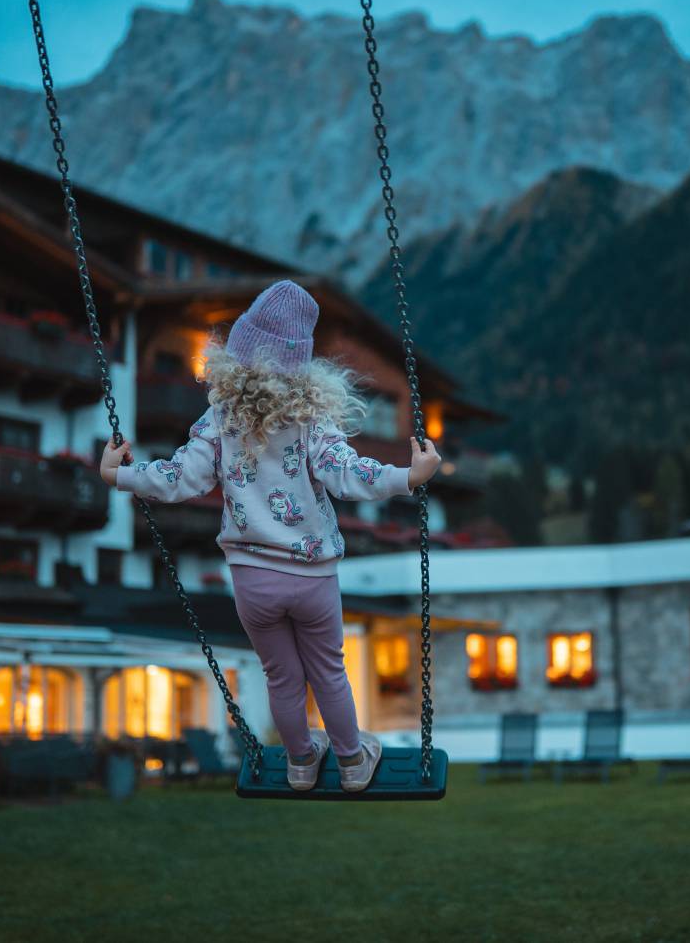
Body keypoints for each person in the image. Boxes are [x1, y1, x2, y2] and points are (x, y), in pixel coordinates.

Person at [100, 280, 440, 792]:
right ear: (301, 363)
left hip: (253, 579)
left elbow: (180, 478)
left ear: (239, 352)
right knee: (328, 671)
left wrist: (119, 475)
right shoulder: (311, 420)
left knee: (280, 675)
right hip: (312, 576)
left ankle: (300, 763)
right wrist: (408, 476)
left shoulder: (219, 418)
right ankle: (352, 762)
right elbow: (348, 475)